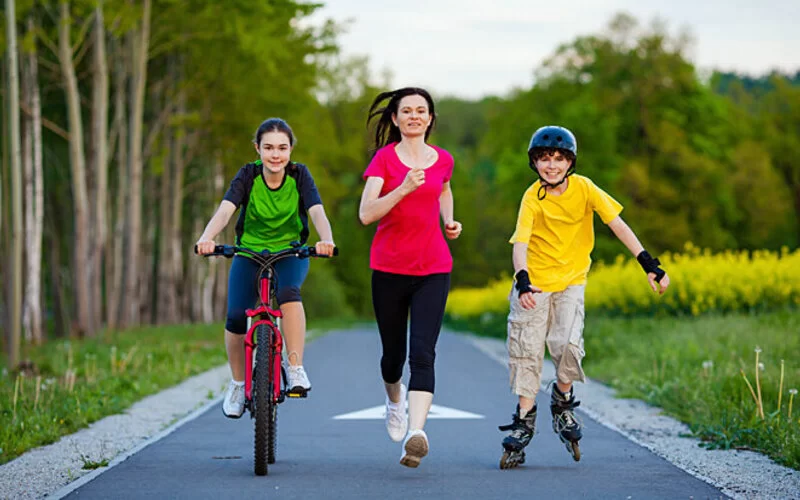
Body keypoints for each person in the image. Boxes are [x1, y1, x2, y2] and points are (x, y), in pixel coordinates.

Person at [498, 125, 670, 468]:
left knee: (567, 345)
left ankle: (562, 401)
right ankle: (524, 419)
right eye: (544, 159)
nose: (552, 165)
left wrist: (647, 262)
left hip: (571, 282)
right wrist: (522, 279)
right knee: (526, 349)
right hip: (533, 284)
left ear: (570, 162)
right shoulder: (532, 197)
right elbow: (520, 243)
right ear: (534, 163)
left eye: (559, 159)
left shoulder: (585, 188)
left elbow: (617, 224)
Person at [196, 118, 336, 418]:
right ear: (257, 148)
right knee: (235, 315)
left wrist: (327, 239)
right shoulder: (248, 175)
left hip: (290, 252)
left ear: (291, 150)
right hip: (248, 251)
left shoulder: (300, 176)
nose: (276, 155)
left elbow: (316, 211)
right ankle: (236, 383)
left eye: (282, 148)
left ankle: (295, 367)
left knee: (289, 293)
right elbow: (226, 209)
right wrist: (207, 238)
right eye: (269, 147)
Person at [358, 87, 462, 468]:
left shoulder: (444, 160)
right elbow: (366, 214)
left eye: (422, 110)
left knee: (423, 353)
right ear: (396, 119)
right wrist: (402, 188)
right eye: (407, 111)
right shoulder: (384, 161)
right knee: (393, 357)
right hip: (388, 268)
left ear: (430, 118)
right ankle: (394, 400)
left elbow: (444, 190)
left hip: (433, 268)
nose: (415, 116)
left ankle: (416, 435)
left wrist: (448, 220)